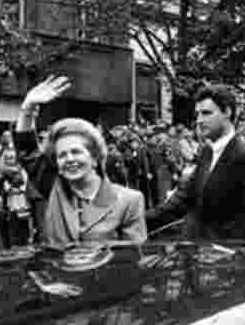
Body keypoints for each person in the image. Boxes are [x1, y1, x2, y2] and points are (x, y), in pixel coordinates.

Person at [15, 75, 147, 246]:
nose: (69, 159)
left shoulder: (129, 200)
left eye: (76, 152)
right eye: (62, 155)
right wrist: (28, 108)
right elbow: (27, 150)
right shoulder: (53, 188)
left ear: (94, 158)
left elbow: (133, 258)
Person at [146, 84, 245, 242]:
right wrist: (137, 218)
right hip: (197, 255)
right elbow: (181, 201)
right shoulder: (207, 153)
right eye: (197, 114)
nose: (199, 120)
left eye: (206, 113)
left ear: (227, 112)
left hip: (226, 260)